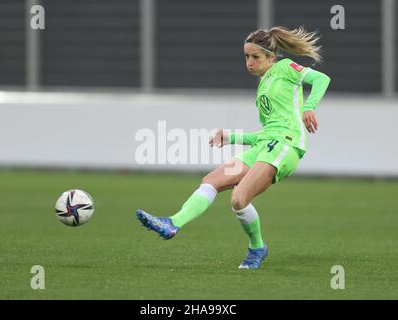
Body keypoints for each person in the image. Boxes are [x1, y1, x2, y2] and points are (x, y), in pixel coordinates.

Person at [136, 26, 331, 269]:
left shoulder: (284, 68)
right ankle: (172, 223)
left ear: (271, 57)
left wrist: (308, 107)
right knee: (212, 180)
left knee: (239, 198)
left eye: (255, 57)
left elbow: (321, 79)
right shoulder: (264, 84)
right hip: (266, 145)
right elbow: (267, 133)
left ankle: (256, 249)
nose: (249, 62)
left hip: (286, 146)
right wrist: (232, 136)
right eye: (246, 56)